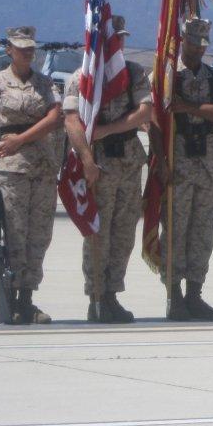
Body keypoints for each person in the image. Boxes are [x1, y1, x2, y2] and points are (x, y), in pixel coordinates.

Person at [62, 17, 153, 323]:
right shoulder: (81, 78)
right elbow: (72, 121)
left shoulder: (134, 74)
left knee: (125, 231)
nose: (119, 45)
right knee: (98, 233)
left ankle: (112, 293)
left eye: (121, 39)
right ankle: (96, 295)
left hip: (127, 161)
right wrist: (87, 159)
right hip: (98, 165)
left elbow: (143, 112)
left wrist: (108, 129)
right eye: (113, 40)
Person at [0, 26, 61, 324]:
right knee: (14, 233)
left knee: (39, 234)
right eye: (20, 47)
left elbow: (54, 116)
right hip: (11, 169)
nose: (27, 52)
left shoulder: (44, 83)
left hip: (42, 166)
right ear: (8, 49)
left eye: (30, 48)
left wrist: (22, 140)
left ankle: (27, 299)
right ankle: (10, 297)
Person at [156, 17, 213, 321]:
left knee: (203, 232)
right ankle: (174, 295)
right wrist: (161, 160)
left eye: (203, 45)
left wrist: (187, 108)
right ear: (182, 41)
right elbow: (155, 122)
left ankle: (195, 294)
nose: (199, 50)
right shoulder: (167, 76)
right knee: (175, 230)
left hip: (208, 167)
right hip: (179, 164)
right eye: (193, 43)